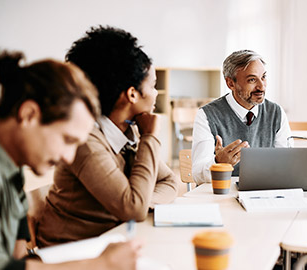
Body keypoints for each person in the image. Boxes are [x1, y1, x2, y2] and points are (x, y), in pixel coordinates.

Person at [0, 49, 141, 270]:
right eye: (67, 139)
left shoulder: (11, 167)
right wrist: (101, 265)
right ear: (29, 114)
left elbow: (18, 258)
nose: (68, 157)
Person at [36, 26, 178, 247]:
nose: (156, 93)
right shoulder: (86, 143)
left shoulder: (127, 133)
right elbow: (133, 208)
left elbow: (169, 181)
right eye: (153, 85)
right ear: (132, 94)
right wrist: (149, 137)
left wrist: (144, 201)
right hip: (70, 254)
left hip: (110, 243)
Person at [192, 50, 291, 185]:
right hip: (221, 196)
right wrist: (219, 163)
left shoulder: (276, 113)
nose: (261, 86)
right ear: (230, 83)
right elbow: (198, 174)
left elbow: (287, 165)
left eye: (263, 77)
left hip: (264, 194)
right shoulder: (207, 115)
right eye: (252, 80)